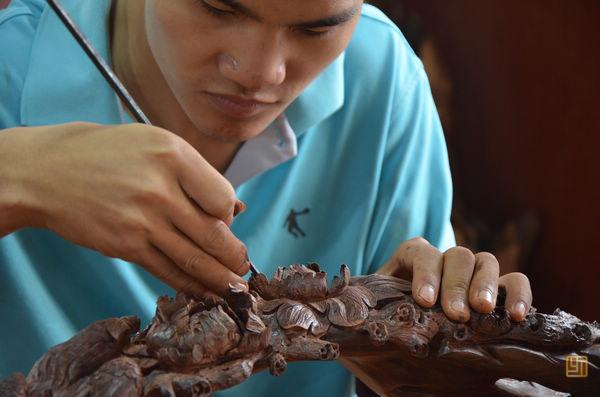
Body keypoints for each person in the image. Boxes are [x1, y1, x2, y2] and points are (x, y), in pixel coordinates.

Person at [0, 0, 533, 395]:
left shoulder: (383, 80)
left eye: (318, 27)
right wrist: (18, 175)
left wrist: (407, 341)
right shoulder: (9, 69)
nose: (260, 73)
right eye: (216, 6)